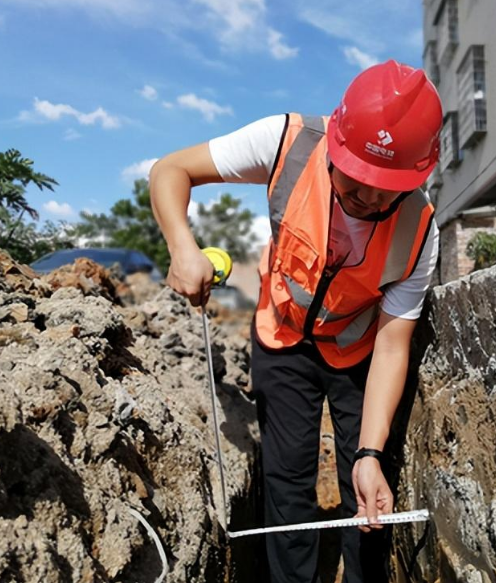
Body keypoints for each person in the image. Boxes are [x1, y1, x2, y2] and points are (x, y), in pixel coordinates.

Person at [149, 60, 442, 583]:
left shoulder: (420, 230)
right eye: (357, 183)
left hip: (357, 350)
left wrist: (370, 451)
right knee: (286, 481)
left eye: (387, 188)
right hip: (281, 335)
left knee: (368, 489)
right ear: (336, 143)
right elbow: (170, 170)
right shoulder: (287, 142)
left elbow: (395, 346)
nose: (371, 199)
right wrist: (182, 246)